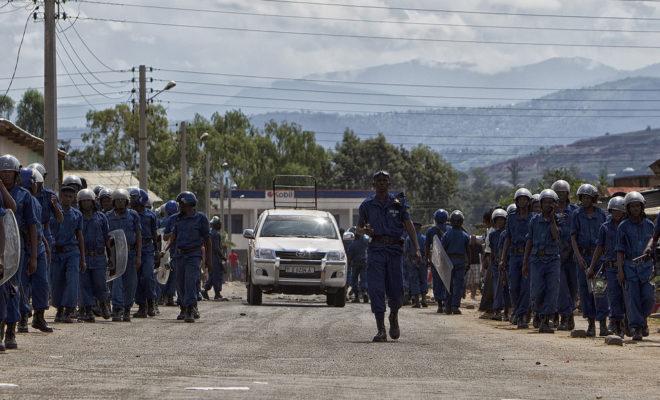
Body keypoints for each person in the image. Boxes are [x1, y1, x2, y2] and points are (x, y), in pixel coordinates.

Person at [357, 171, 420, 342]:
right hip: (376, 249)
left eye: (385, 180)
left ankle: (393, 315)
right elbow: (358, 229)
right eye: (379, 181)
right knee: (376, 288)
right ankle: (380, 329)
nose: (382, 183)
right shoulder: (367, 205)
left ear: (389, 184)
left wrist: (417, 248)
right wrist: (365, 231)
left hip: (394, 250)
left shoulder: (398, 204)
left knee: (397, 289)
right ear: (374, 184)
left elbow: (409, 226)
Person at [0, 155, 38, 349]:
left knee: (14, 287)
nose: (6, 175)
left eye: (9, 172)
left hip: (17, 244)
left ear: (16, 174)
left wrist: (33, 257)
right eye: (2, 171)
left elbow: (32, 227)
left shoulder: (25, 195)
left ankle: (11, 330)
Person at [163, 191, 211, 323]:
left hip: (193, 255)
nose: (180, 207)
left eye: (182, 204)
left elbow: (207, 239)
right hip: (179, 255)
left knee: (190, 281)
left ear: (190, 204)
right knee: (180, 283)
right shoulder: (177, 218)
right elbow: (173, 236)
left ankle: (190, 308)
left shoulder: (201, 218)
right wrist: (165, 249)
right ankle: (184, 307)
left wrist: (208, 260)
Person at [615, 192, 655, 341]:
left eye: (638, 205)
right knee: (632, 298)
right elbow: (619, 250)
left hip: (646, 267)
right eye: (632, 206)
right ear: (628, 208)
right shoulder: (623, 226)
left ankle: (642, 319)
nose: (635, 209)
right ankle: (637, 328)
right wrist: (620, 270)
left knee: (648, 297)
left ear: (642, 206)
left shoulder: (650, 225)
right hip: (629, 266)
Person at [571, 183, 609, 337]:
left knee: (600, 291)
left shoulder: (601, 214)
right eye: (583, 197)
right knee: (585, 293)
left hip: (599, 258)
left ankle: (603, 325)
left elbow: (606, 237)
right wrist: (579, 258)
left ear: (593, 198)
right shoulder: (576, 214)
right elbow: (573, 237)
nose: (585, 200)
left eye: (588, 197)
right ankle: (591, 325)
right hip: (582, 258)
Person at [17, 169, 52, 333]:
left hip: (39, 246)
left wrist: (44, 242)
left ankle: (39, 316)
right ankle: (23, 317)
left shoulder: (35, 200)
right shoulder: (22, 198)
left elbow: (37, 227)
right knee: (23, 284)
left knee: (42, 283)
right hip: (25, 247)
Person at [523, 189, 561, 334]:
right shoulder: (534, 220)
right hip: (537, 259)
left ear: (554, 204)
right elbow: (529, 241)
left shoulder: (559, 219)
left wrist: (552, 219)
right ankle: (538, 312)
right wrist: (525, 261)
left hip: (552, 259)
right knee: (537, 290)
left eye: (550, 202)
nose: (547, 205)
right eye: (544, 202)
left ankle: (546, 319)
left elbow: (557, 237)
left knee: (552, 289)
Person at [589, 196, 626, 337]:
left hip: (625, 267)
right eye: (614, 211)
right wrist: (592, 267)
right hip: (608, 267)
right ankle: (611, 324)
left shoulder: (627, 225)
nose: (617, 213)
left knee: (626, 297)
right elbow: (599, 248)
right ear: (610, 211)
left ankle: (625, 323)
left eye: (620, 211)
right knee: (605, 294)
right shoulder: (604, 227)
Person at [50, 182, 85, 324]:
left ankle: (70, 309)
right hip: (56, 252)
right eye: (65, 196)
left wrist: (83, 258)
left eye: (71, 196)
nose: (67, 199)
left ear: (74, 198)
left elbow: (80, 236)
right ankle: (59, 309)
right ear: (60, 196)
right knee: (56, 282)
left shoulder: (77, 214)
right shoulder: (53, 211)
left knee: (72, 280)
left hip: (72, 252)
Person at [500, 188, 533, 329]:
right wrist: (503, 258)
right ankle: (518, 311)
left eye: (525, 199)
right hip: (514, 255)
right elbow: (508, 238)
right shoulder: (511, 217)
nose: (522, 201)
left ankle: (520, 315)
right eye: (520, 199)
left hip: (528, 255)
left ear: (529, 201)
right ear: (516, 201)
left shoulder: (533, 217)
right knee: (513, 287)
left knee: (526, 287)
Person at [106, 188, 142, 322]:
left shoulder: (133, 215)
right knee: (116, 281)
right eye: (118, 200)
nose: (120, 203)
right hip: (115, 253)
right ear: (113, 202)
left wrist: (139, 256)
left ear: (127, 202)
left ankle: (127, 308)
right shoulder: (108, 216)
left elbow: (138, 235)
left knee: (131, 282)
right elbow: (106, 236)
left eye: (123, 200)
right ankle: (117, 308)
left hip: (131, 252)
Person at [78, 188, 111, 322]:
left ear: (93, 202)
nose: (86, 203)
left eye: (88, 201)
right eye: (83, 201)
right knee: (84, 284)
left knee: (100, 283)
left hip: (98, 256)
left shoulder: (101, 217)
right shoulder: (78, 216)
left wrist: (111, 256)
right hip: (84, 255)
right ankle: (88, 310)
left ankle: (103, 304)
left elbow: (106, 237)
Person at [552, 179, 578, 331]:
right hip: (556, 255)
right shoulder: (550, 211)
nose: (561, 196)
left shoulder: (575, 211)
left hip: (573, 255)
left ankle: (570, 315)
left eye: (563, 193)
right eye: (558, 193)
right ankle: (564, 316)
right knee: (561, 287)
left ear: (568, 194)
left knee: (573, 287)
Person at [131, 189, 158, 318]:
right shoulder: (130, 214)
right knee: (136, 278)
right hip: (134, 249)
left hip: (148, 248)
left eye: (134, 197)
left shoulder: (151, 215)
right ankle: (141, 306)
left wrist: (157, 251)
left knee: (147, 277)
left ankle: (151, 302)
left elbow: (155, 234)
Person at [442, 210, 470, 314]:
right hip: (460, 262)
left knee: (448, 285)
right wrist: (469, 262)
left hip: (449, 261)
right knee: (458, 285)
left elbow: (442, 249)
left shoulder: (446, 234)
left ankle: (448, 306)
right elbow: (468, 251)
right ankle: (454, 306)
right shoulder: (465, 235)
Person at [425, 208, 449, 313]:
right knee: (447, 281)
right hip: (448, 259)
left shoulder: (430, 231)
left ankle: (439, 304)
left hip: (435, 259)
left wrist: (427, 259)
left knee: (437, 282)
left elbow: (426, 247)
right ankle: (446, 303)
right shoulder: (450, 229)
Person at [489, 208, 508, 321]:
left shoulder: (507, 233)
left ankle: (507, 310)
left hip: (506, 264)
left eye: (502, 220)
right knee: (497, 287)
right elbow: (492, 251)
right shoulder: (492, 235)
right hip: (496, 265)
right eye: (498, 220)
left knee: (507, 288)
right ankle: (497, 310)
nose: (500, 222)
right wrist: (492, 264)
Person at [159, 200, 178, 306]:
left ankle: (161, 296)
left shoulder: (162, 221)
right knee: (173, 274)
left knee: (162, 273)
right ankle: (169, 297)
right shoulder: (177, 219)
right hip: (173, 251)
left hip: (164, 251)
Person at [203, 216, 227, 301]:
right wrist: (223, 257)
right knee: (216, 275)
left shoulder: (209, 233)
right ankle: (215, 293)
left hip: (209, 256)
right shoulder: (216, 234)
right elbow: (216, 248)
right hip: (215, 258)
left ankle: (206, 291)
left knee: (212, 275)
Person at [405, 222, 427, 308]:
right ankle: (424, 299)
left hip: (413, 261)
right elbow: (427, 250)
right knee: (423, 280)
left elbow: (406, 251)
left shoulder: (408, 238)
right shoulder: (424, 238)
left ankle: (417, 302)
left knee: (414, 280)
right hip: (422, 261)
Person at [479, 209, 495, 319]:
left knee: (490, 286)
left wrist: (486, 260)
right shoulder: (490, 230)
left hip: (492, 259)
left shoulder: (492, 231)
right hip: (491, 259)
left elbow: (489, 249)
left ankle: (490, 310)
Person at [347, 229, 369, 304]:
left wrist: (349, 264)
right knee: (364, 278)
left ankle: (356, 297)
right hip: (364, 262)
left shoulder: (352, 245)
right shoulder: (364, 242)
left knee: (354, 280)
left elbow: (349, 257)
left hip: (355, 264)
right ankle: (365, 293)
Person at [466, 235, 483, 300]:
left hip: (477, 264)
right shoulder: (468, 246)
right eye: (472, 239)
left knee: (476, 281)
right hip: (469, 264)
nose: (473, 240)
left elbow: (482, 254)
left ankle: (473, 294)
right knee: (469, 281)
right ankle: (472, 293)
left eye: (474, 239)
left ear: (475, 239)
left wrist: (482, 264)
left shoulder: (479, 246)